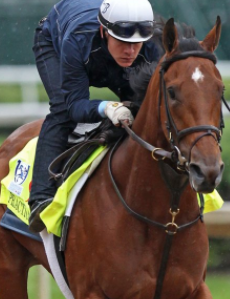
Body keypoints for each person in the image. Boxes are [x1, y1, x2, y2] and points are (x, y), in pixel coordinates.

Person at [28, 0, 162, 232]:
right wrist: (108, 107)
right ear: (104, 31)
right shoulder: (77, 40)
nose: (130, 51)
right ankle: (40, 199)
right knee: (62, 110)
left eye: (137, 43)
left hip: (98, 47)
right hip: (55, 39)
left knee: (140, 110)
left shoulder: (153, 48)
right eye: (122, 41)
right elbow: (75, 105)